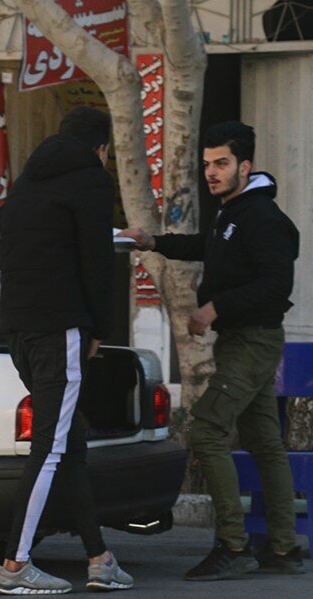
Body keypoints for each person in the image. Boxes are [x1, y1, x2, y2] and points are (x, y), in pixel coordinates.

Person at [120, 121, 302, 580]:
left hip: (253, 341)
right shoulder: (233, 211)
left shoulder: (262, 217)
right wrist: (154, 242)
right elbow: (208, 247)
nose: (211, 172)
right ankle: (282, 548)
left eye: (221, 163)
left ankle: (234, 545)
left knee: (204, 432)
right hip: (244, 340)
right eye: (206, 164)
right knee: (264, 443)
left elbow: (276, 285)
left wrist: (212, 309)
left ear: (245, 165)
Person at [0, 107, 133, 595]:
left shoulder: (26, 184)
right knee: (51, 447)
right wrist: (99, 326)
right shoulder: (91, 182)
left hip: (18, 330)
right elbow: (97, 261)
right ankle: (14, 566)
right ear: (101, 148)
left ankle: (99, 557)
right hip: (61, 329)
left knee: (68, 443)